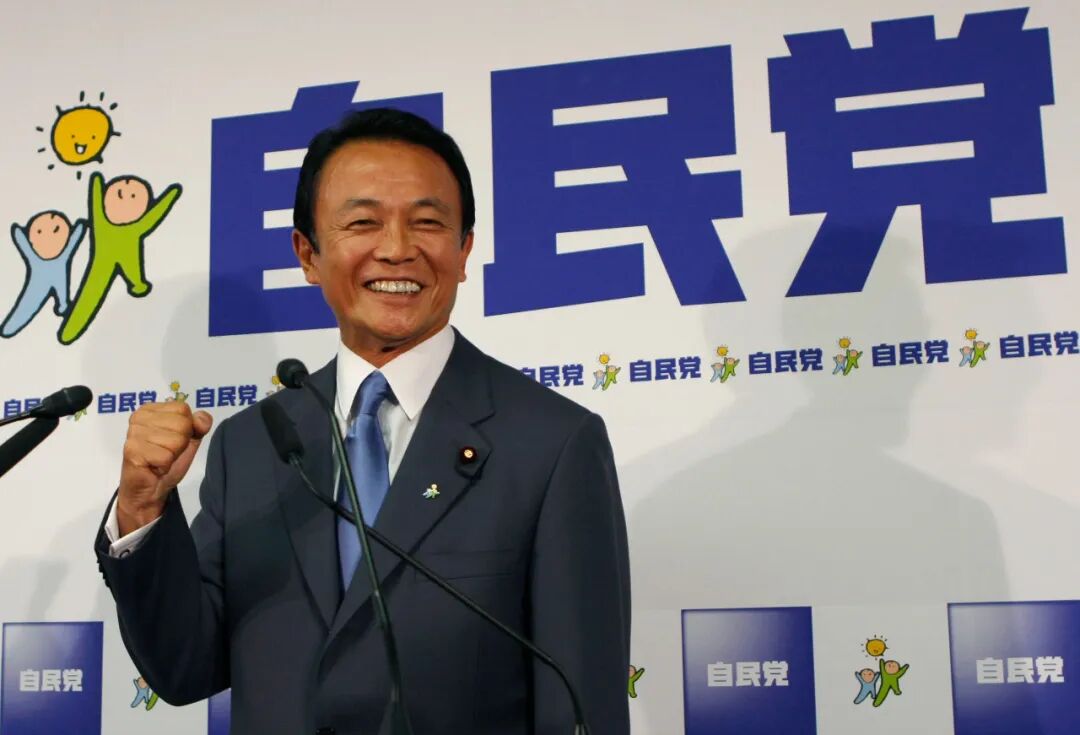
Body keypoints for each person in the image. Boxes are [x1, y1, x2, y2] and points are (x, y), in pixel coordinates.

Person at [94, 108, 631, 735]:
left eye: (428, 222)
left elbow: (580, 704)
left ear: (464, 251)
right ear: (308, 254)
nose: (397, 249)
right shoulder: (253, 444)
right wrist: (141, 510)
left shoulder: (552, 441)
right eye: (362, 222)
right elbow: (184, 667)